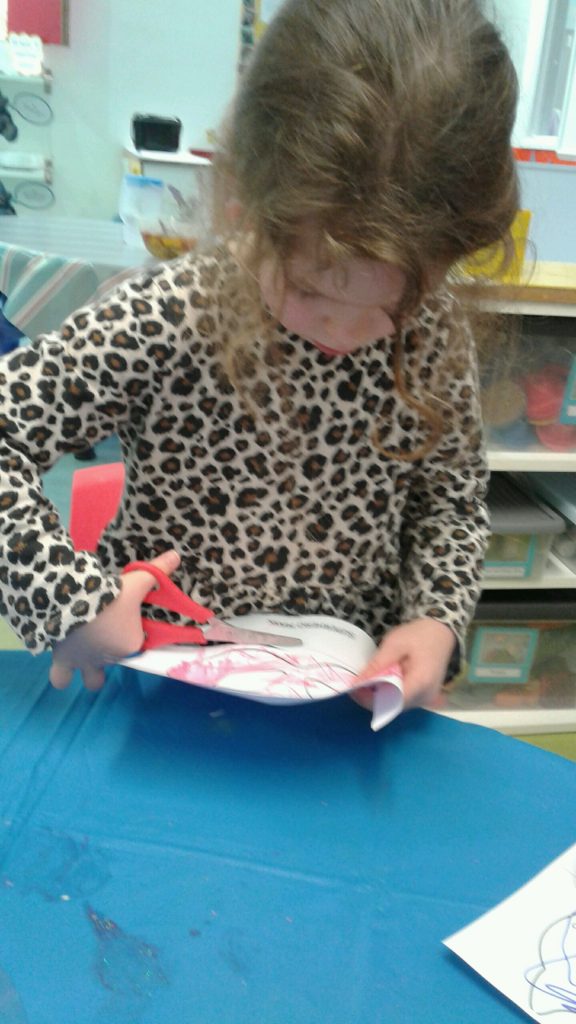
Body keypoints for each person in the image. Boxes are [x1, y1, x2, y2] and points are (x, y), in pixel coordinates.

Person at [0, 0, 519, 711]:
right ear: (247, 202)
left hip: (343, 698)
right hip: (161, 678)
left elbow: (451, 502)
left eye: (393, 305)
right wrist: (66, 598)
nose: (347, 330)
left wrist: (436, 621)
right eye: (309, 290)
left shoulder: (435, 335)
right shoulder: (171, 312)